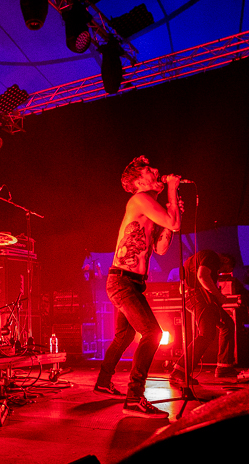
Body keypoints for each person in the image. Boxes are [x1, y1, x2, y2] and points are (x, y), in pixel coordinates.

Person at [93, 155, 181, 418]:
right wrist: (173, 189)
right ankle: (133, 398)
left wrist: (172, 209)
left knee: (124, 336)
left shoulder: (148, 208)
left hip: (132, 282)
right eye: (149, 169)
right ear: (139, 182)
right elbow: (174, 222)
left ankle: (102, 382)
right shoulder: (140, 199)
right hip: (122, 281)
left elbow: (161, 248)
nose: (156, 170)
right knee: (152, 333)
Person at [169, 250, 238, 382]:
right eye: (225, 270)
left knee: (227, 325)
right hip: (199, 297)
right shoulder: (211, 256)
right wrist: (219, 296)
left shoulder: (196, 259)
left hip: (197, 297)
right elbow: (202, 276)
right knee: (206, 334)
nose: (220, 272)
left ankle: (224, 367)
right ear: (226, 260)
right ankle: (179, 370)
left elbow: (184, 285)